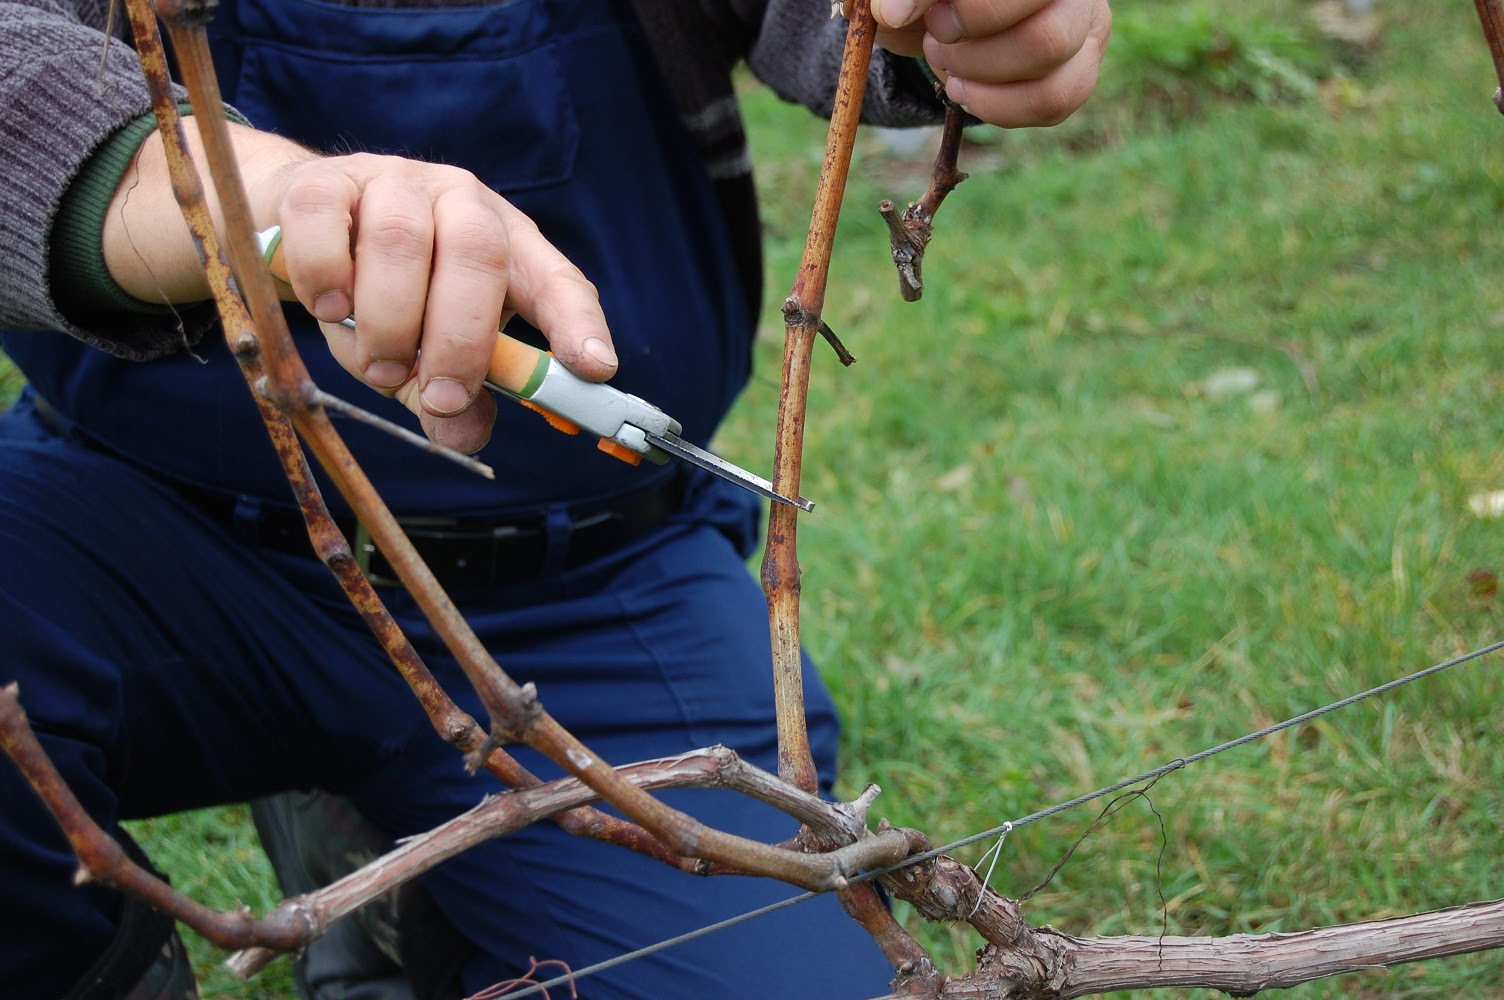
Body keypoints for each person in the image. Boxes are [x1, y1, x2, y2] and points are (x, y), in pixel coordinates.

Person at [0, 0, 1110, 997]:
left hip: (584, 596)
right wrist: (257, 202)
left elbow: (837, 17)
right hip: (136, 536)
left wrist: (961, 29)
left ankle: (420, 874)